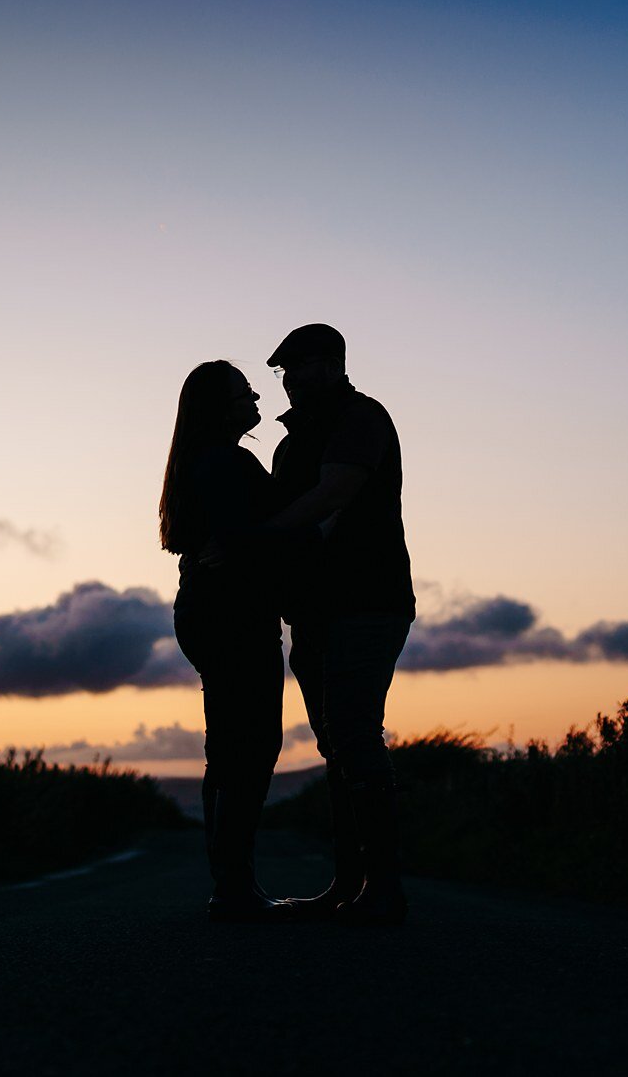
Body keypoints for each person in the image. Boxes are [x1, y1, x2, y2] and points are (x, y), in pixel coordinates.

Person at [262, 323, 415, 925]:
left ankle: (383, 890)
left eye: (296, 368)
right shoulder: (289, 442)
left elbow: (334, 495)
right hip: (314, 609)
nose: (288, 381)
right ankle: (350, 886)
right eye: (283, 372)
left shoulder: (362, 418)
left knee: (353, 735)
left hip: (368, 601)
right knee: (335, 745)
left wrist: (261, 540)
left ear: (330, 364)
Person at [158, 360, 288, 922]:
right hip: (232, 614)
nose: (256, 396)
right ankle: (233, 886)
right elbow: (256, 534)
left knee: (230, 747)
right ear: (219, 405)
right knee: (251, 747)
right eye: (243, 391)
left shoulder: (201, 463)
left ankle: (231, 882)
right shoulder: (228, 463)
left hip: (208, 610)